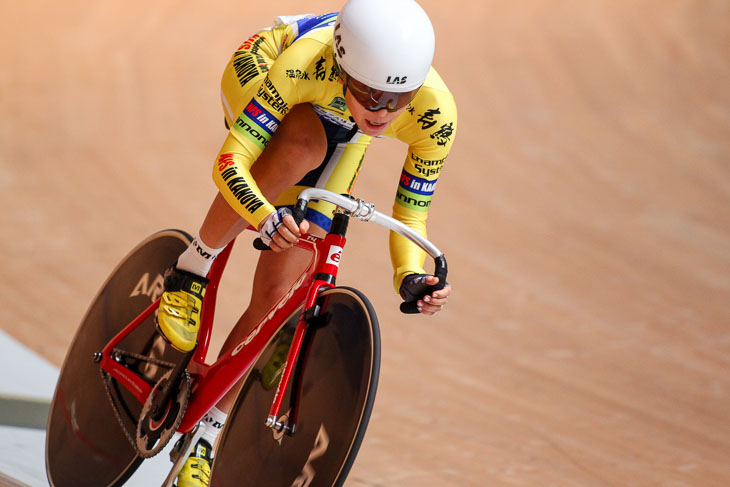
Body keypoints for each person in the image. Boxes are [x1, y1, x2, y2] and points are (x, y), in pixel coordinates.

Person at [156, 0, 456, 485]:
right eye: (370, 94)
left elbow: (411, 215)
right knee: (302, 146)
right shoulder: (305, 61)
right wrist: (263, 214)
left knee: (280, 293)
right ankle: (192, 269)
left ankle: (206, 434)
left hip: (343, 130)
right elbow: (230, 162)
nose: (382, 112)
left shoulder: (435, 115)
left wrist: (410, 276)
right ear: (342, 66)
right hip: (264, 69)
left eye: (397, 100)